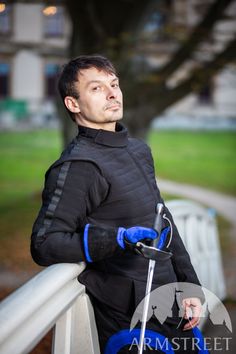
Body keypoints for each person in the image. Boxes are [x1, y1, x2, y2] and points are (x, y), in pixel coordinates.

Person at [31, 55, 203, 353]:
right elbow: (44, 243)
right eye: (96, 89)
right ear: (73, 104)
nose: (112, 94)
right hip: (129, 317)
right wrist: (116, 239)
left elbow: (163, 218)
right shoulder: (78, 166)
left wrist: (189, 283)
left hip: (170, 301)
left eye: (114, 84)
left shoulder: (138, 150)